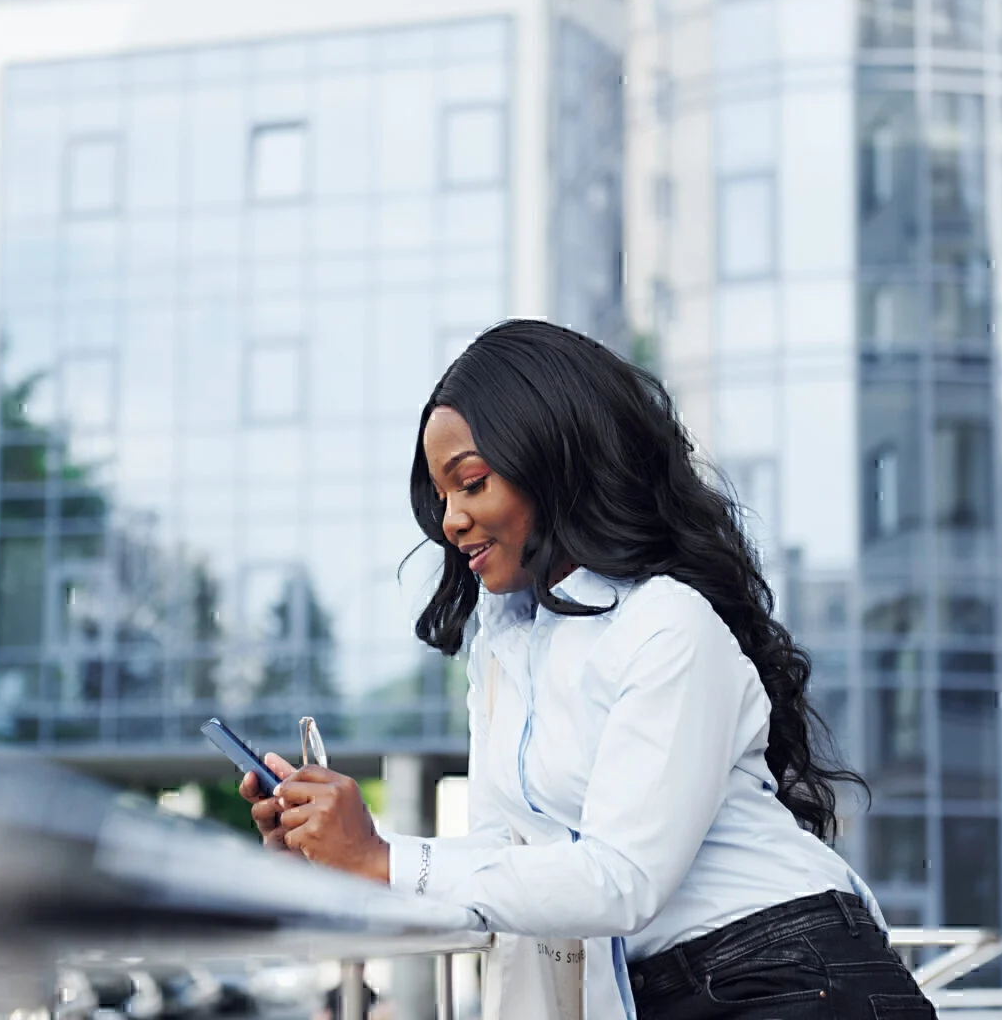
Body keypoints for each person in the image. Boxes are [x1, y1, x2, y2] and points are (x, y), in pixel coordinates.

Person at [240, 320, 939, 1018]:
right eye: (442, 497)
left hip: (788, 973)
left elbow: (620, 877)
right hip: (674, 991)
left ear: (553, 463)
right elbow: (507, 860)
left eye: (472, 483)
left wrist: (380, 858)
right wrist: (341, 854)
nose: (451, 520)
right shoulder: (505, 649)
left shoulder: (667, 623)